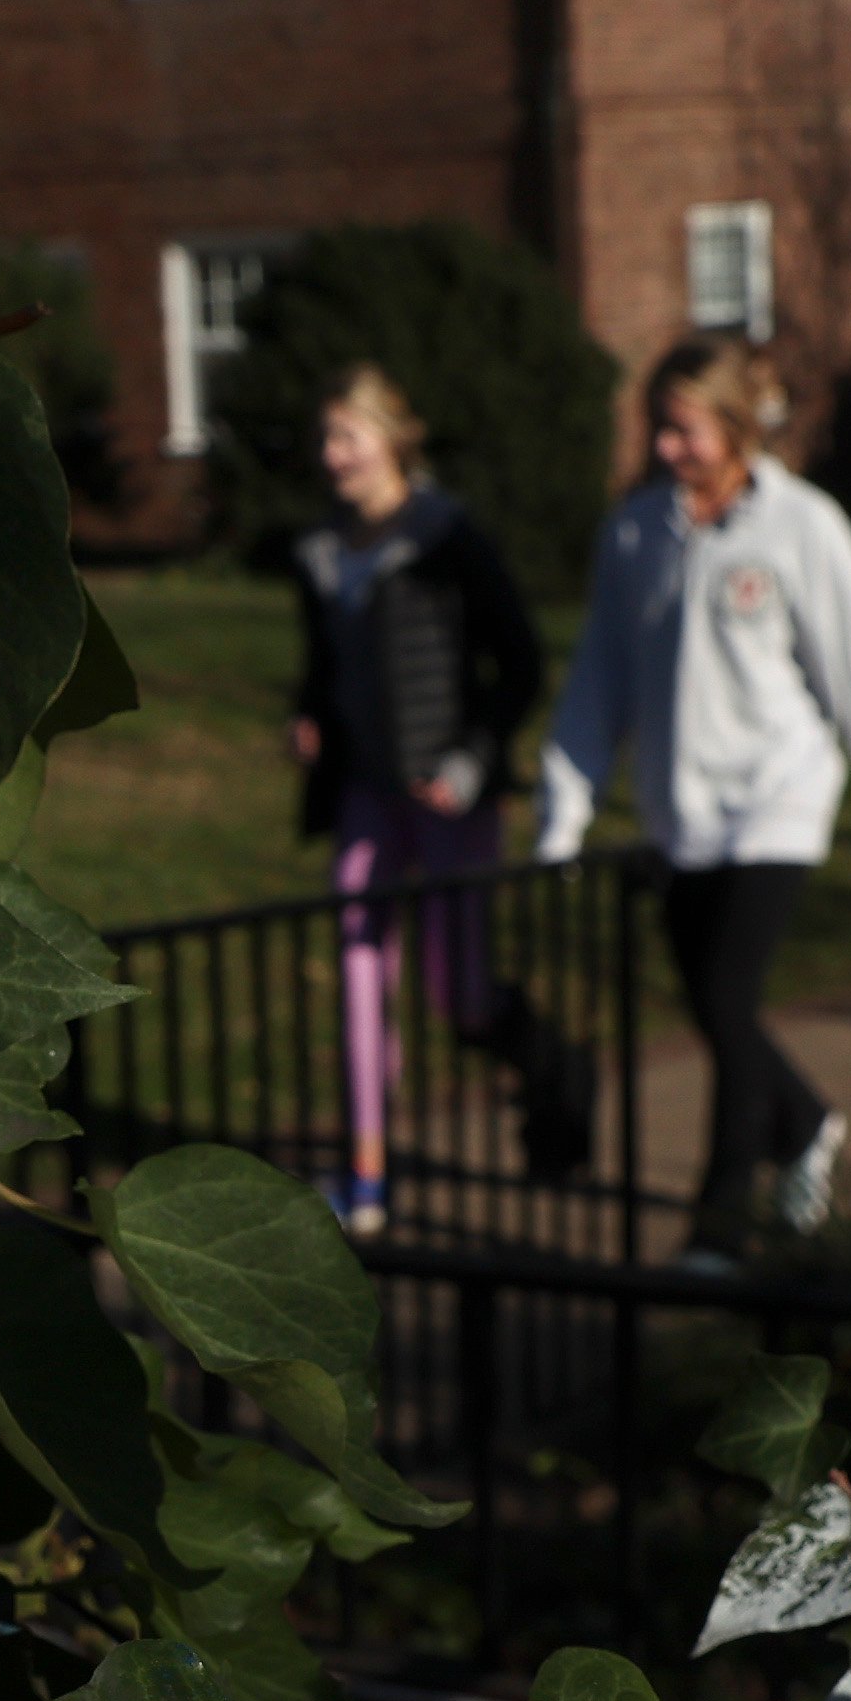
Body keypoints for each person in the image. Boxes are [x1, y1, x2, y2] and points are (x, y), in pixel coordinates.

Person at [531, 333, 851, 1265]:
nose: (666, 449)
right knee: (719, 1013)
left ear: (733, 423)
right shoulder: (634, 534)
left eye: (683, 430)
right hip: (680, 813)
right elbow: (600, 680)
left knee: (723, 994)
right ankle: (802, 1124)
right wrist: (565, 807)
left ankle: (719, 1225)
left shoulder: (803, 527)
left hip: (777, 801)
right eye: (657, 430)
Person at [285, 367, 586, 1235]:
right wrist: (307, 720)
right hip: (366, 795)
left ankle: (552, 1068)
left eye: (347, 435)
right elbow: (322, 669)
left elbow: (520, 662)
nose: (330, 454)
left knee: (457, 991)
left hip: (450, 796)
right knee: (356, 961)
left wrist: (465, 761)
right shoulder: (319, 551)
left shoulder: (447, 536)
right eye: (326, 438)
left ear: (392, 440)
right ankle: (367, 1176)